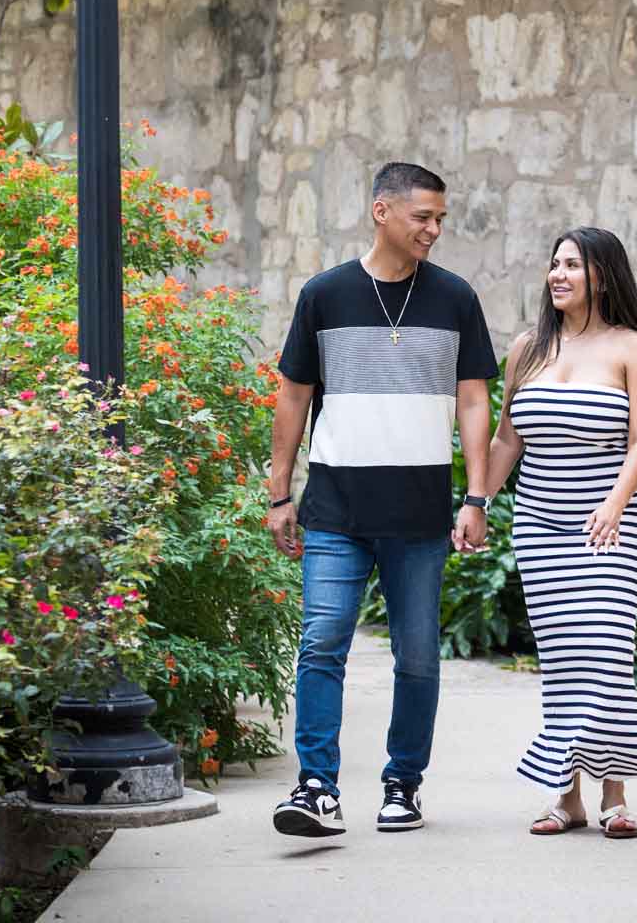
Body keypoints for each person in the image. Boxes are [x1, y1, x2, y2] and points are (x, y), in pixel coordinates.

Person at [266, 160, 498, 840]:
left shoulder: (455, 298)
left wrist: (476, 496)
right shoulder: (325, 294)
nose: (434, 229)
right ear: (382, 212)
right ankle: (316, 788)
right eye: (423, 216)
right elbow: (293, 396)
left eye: (440, 219)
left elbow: (476, 398)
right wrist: (280, 492)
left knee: (418, 655)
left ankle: (403, 782)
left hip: (422, 516)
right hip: (336, 508)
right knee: (322, 642)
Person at [479, 227, 637, 840]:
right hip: (539, 524)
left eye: (572, 265)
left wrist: (616, 501)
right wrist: (476, 501)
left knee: (604, 656)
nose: (557, 274)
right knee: (562, 662)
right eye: (554, 263)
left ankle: (615, 794)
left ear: (602, 276)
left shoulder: (632, 349)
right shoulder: (527, 349)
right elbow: (508, 439)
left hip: (613, 526)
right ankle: (568, 798)